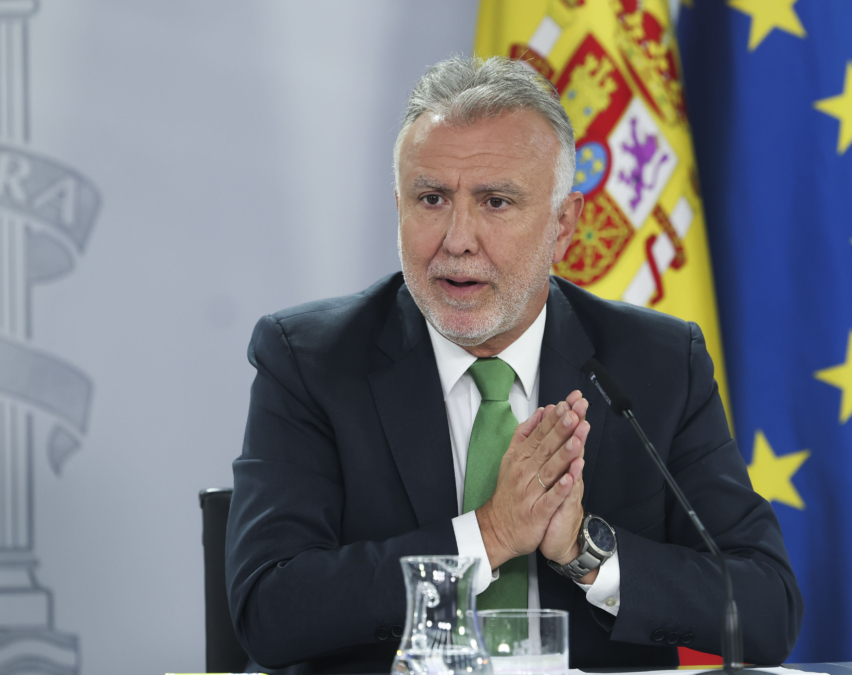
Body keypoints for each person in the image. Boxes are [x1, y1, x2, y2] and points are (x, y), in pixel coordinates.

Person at [226, 56, 802, 674]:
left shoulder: (653, 365)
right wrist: (489, 535)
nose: (457, 239)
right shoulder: (312, 361)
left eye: (496, 202)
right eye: (431, 198)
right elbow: (269, 611)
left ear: (564, 225)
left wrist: (585, 550)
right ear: (399, 206)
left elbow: (766, 608)